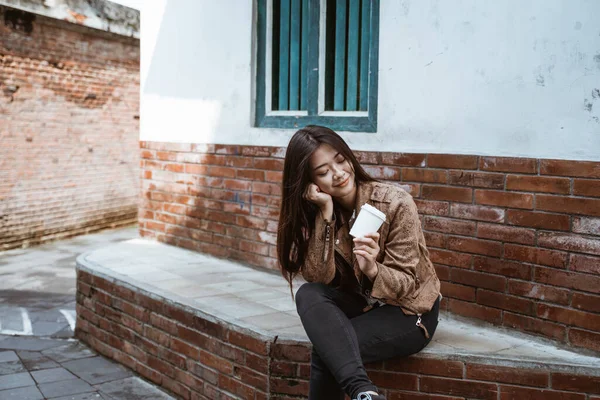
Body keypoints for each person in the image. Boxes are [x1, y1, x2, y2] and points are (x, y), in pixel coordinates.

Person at [276, 125, 442, 400]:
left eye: (340, 160)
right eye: (323, 171)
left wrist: (373, 270)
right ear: (309, 181)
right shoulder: (315, 211)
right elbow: (317, 276)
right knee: (308, 293)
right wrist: (326, 215)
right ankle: (364, 393)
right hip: (361, 305)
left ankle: (361, 391)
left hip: (409, 311)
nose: (338, 173)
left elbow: (406, 284)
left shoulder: (394, 203)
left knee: (329, 348)